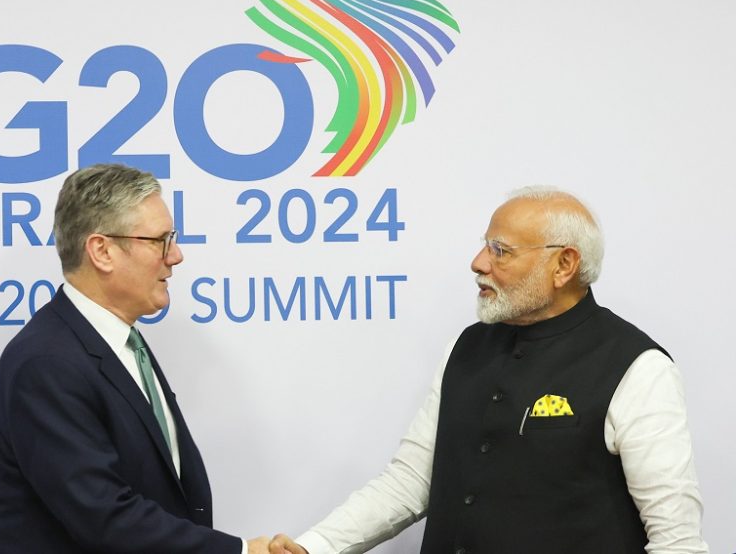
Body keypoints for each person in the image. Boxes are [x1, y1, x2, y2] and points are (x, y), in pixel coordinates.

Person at [270, 187, 708, 554]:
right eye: (485, 245)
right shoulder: (465, 347)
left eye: (501, 251)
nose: (479, 262)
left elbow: (677, 538)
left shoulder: (638, 367)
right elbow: (411, 481)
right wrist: (316, 545)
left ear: (564, 265)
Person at [0, 164, 271, 553]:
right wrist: (242, 552)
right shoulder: (47, 364)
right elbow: (104, 518)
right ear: (102, 251)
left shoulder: (120, 341)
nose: (177, 256)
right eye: (160, 241)